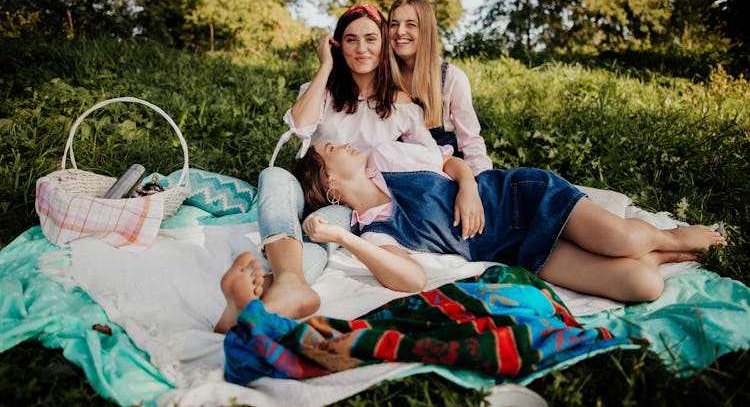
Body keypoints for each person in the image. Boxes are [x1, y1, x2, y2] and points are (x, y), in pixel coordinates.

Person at [292, 140, 726, 302]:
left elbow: (452, 163)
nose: (344, 145)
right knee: (642, 287)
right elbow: (408, 279)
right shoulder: (376, 231)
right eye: (331, 148)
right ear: (329, 183)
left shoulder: (387, 158)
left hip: (517, 199)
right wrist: (339, 238)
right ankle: (661, 256)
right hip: (516, 249)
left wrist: (468, 188)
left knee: (622, 238)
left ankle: (666, 237)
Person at [245, 3, 440, 327]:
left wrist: (467, 181)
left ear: (384, 44)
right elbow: (299, 127)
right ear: (338, 45)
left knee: (321, 228)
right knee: (273, 176)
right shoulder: (321, 91)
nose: (361, 48)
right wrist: (325, 67)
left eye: (370, 39)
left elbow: (432, 161)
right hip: (307, 182)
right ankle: (288, 283)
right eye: (350, 40)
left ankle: (279, 289)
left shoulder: (403, 105)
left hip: (347, 200)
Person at [388, 0, 492, 176]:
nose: (400, 31)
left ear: (426, 30)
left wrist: (479, 184)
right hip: (401, 172)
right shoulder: (385, 78)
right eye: (394, 24)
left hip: (448, 171)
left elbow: (471, 141)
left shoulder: (451, 78)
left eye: (410, 24)